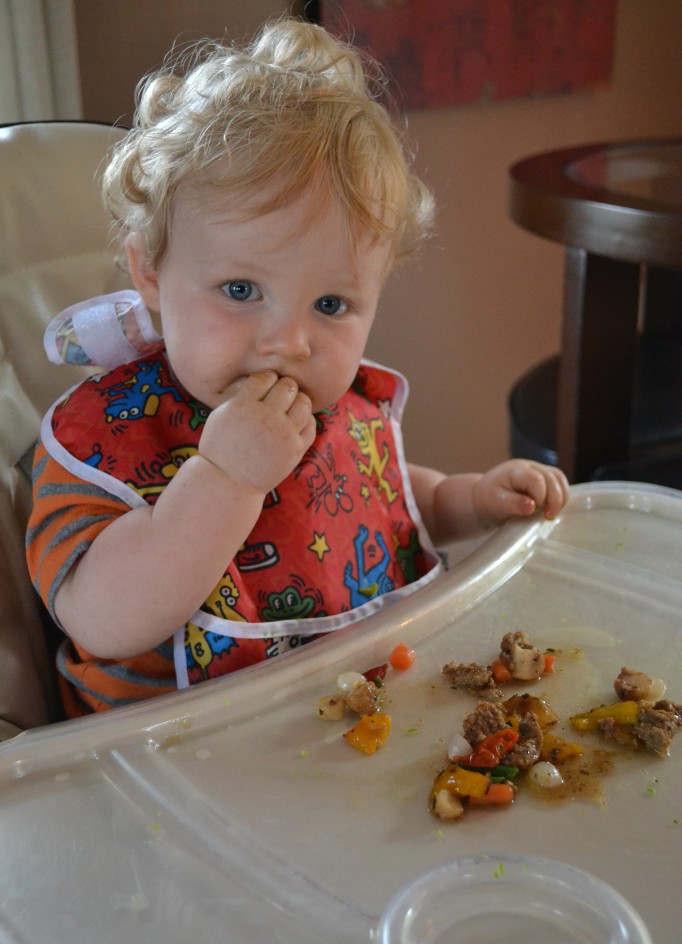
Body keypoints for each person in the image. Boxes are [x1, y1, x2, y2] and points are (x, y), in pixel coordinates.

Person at [27, 18, 569, 717]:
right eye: (242, 291)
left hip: (358, 733)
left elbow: (385, 499)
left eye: (331, 302)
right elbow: (102, 620)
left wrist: (469, 500)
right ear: (151, 271)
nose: (289, 342)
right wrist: (225, 480)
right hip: (176, 769)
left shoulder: (338, 408)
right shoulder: (103, 439)